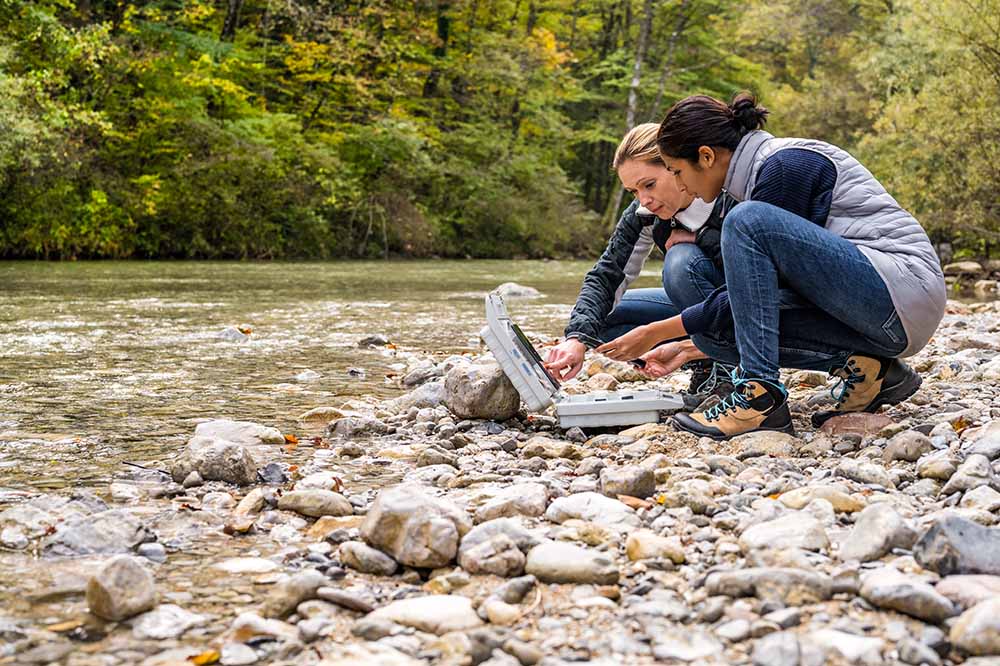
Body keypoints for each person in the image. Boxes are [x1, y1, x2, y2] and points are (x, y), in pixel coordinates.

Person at [597, 93, 946, 440]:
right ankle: (874, 372)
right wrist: (692, 342)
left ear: (706, 156)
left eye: (677, 171)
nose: (681, 184)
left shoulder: (783, 166)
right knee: (714, 332)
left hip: (900, 294)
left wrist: (661, 332)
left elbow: (754, 295)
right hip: (878, 312)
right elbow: (757, 299)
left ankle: (759, 398)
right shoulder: (751, 179)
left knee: (746, 222)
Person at [543, 123, 737, 397]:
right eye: (633, 191)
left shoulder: (727, 193)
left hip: (744, 306)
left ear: (674, 165)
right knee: (601, 321)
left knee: (681, 262)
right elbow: (607, 275)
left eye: (649, 184)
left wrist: (700, 237)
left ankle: (729, 365)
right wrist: (576, 340)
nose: (644, 199)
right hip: (697, 311)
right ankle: (704, 362)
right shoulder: (644, 212)